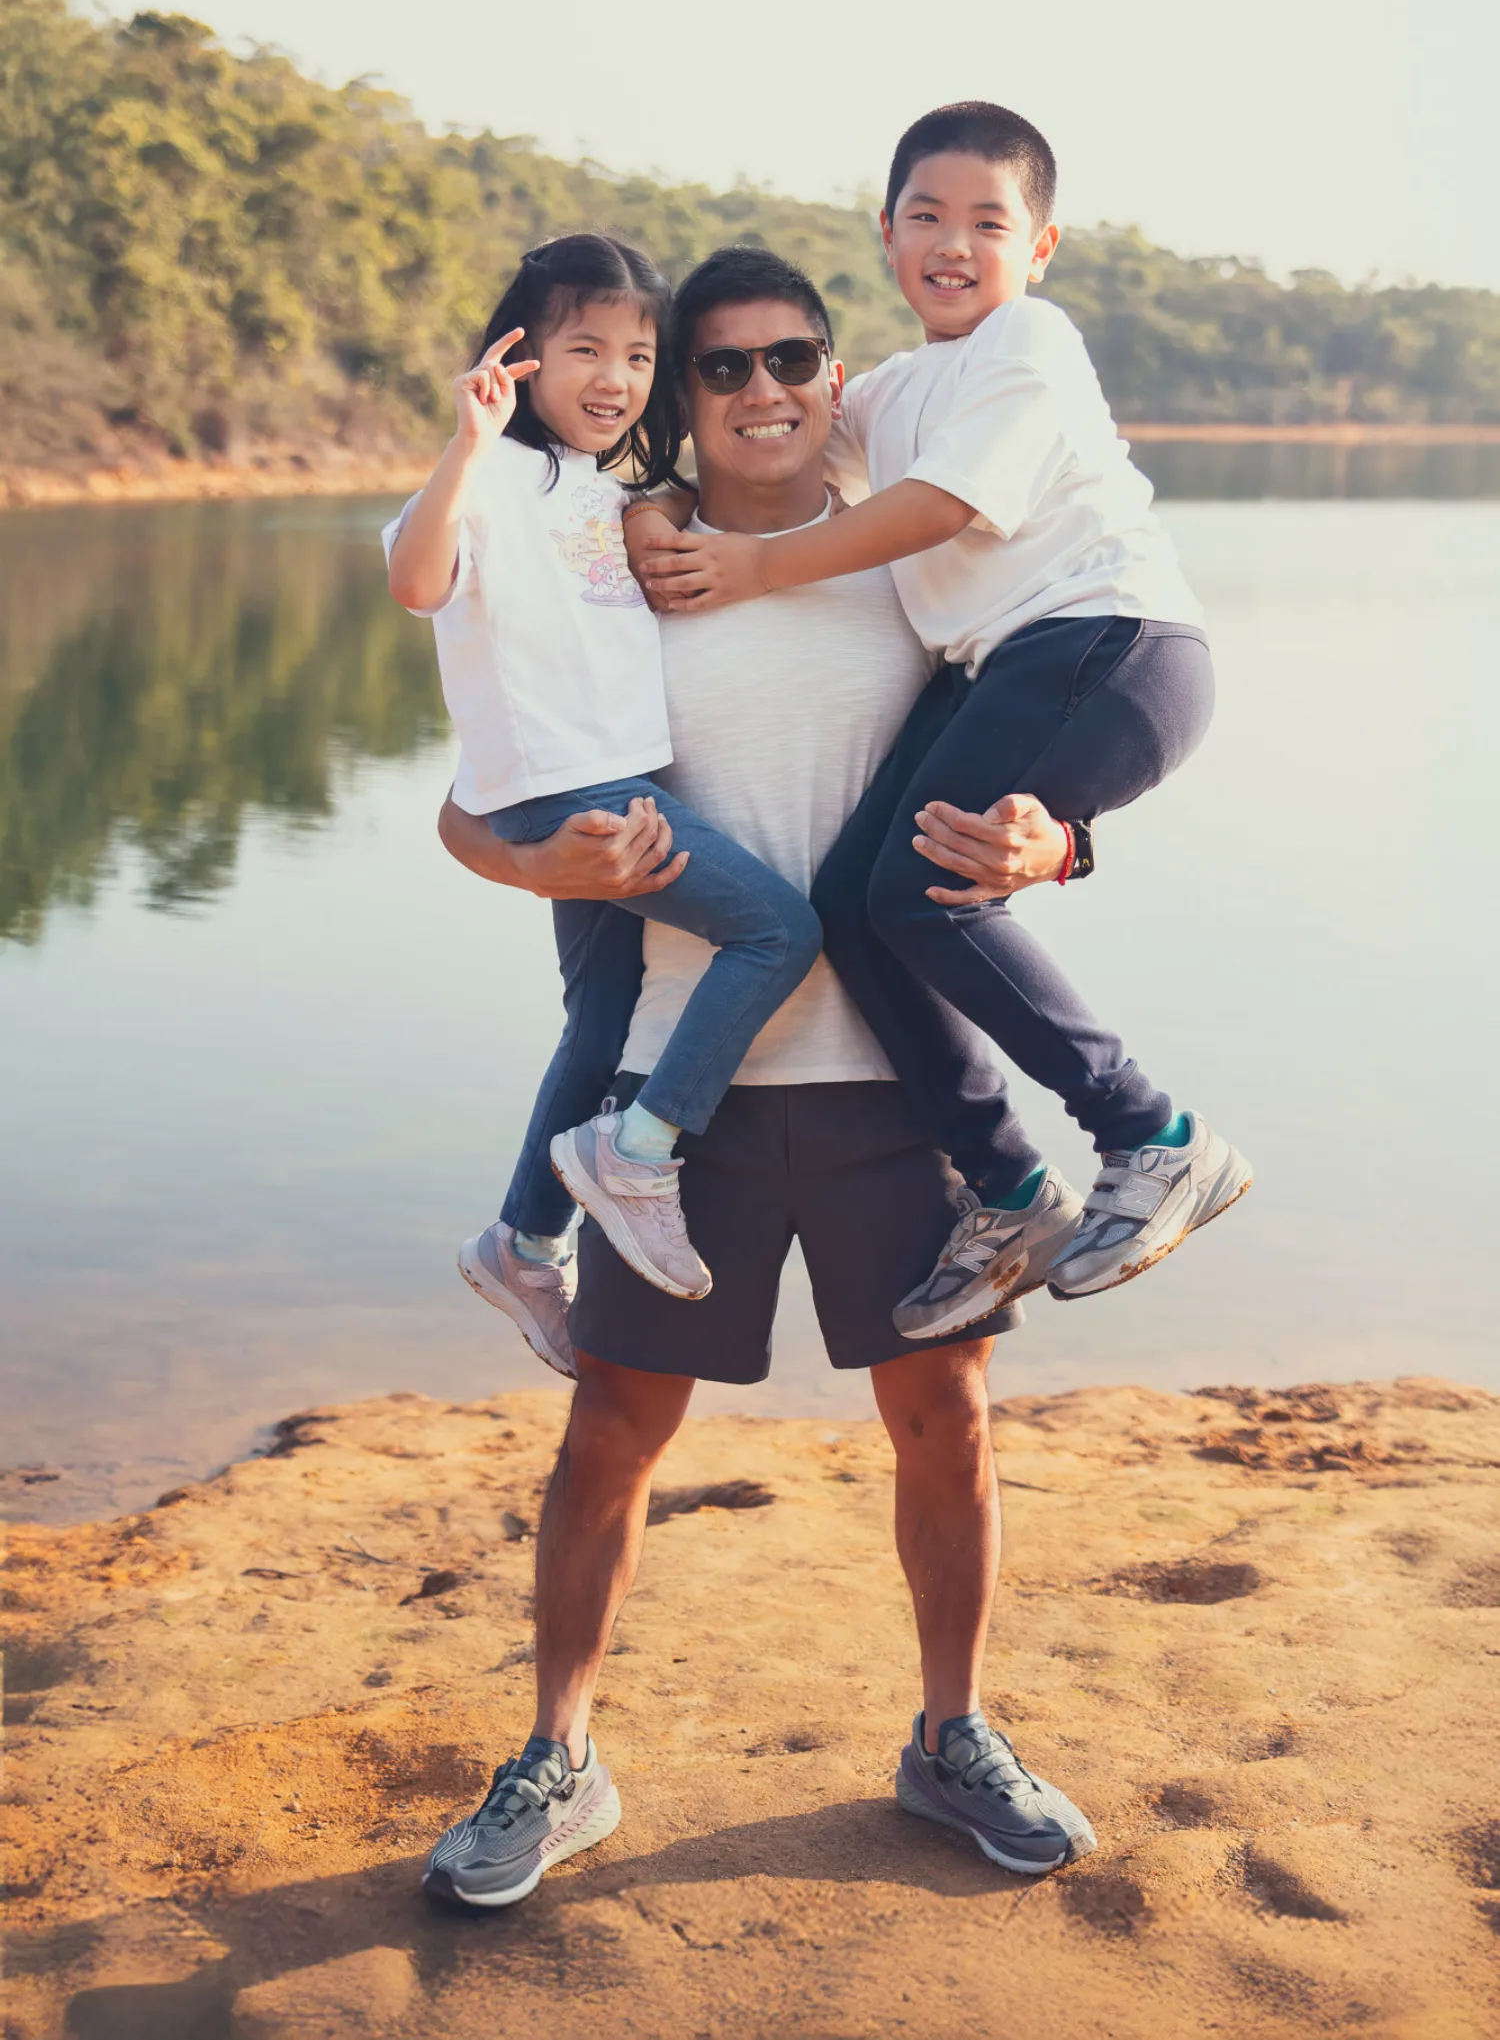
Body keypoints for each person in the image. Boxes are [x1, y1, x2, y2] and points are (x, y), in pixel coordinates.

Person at [420, 246, 1097, 1909]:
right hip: (680, 1089)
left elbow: (1045, 747)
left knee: (946, 1419)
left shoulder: (925, 557)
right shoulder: (623, 552)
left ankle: (950, 1731)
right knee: (611, 1433)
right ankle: (559, 1753)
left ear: (835, 366)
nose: (761, 389)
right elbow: (470, 799)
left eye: (791, 356)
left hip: (896, 1075)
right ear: (679, 393)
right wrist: (537, 871)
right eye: (719, 367)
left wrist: (1061, 841)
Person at [632, 104, 1252, 1342]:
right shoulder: (906, 384)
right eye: (927, 216)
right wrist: (655, 499)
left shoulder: (1031, 342)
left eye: (988, 221)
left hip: (1104, 642)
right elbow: (777, 436)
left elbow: (935, 505)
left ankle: (1154, 1134)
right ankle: (1013, 1190)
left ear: (1044, 245)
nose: (954, 243)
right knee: (868, 899)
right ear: (887, 233)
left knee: (920, 898)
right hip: (1015, 671)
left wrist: (758, 571)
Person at [383, 233, 823, 1346]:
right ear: (521, 356)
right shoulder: (492, 477)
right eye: (586, 349)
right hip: (577, 795)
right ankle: (640, 1151)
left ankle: (524, 1246)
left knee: (601, 1016)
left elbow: (650, 508)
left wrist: (662, 510)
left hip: (604, 782)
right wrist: (466, 442)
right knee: (777, 929)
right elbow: (415, 579)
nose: (615, 379)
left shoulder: (601, 488)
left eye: (637, 355)